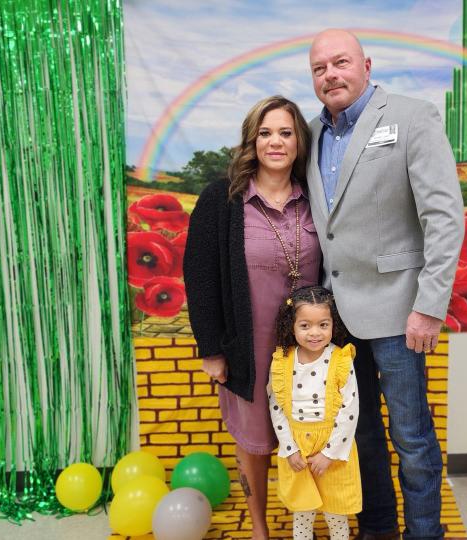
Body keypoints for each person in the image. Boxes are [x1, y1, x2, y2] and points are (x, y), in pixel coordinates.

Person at [304, 29, 465, 540]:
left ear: (366, 65)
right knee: (361, 435)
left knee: (412, 438)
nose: (330, 74)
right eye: (319, 68)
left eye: (340, 62)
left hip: (400, 312)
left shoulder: (412, 117)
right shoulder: (311, 134)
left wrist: (430, 305)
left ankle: (424, 533)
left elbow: (444, 217)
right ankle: (378, 529)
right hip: (338, 318)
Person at [184, 95, 318, 540]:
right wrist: (212, 350)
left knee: (309, 438)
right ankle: (260, 528)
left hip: (310, 352)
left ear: (299, 140)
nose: (275, 142)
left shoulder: (317, 199)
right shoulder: (222, 200)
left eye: (285, 132)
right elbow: (200, 277)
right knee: (256, 444)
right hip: (249, 349)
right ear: (251, 140)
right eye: (265, 133)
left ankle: (305, 524)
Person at [268, 285, 361, 540]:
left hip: (333, 448)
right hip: (297, 446)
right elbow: (277, 407)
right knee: (303, 511)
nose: (315, 333)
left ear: (333, 324)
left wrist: (330, 453)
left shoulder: (341, 360)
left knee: (336, 513)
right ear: (292, 325)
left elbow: (349, 410)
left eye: (323, 324)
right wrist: (289, 448)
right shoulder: (282, 361)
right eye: (305, 325)